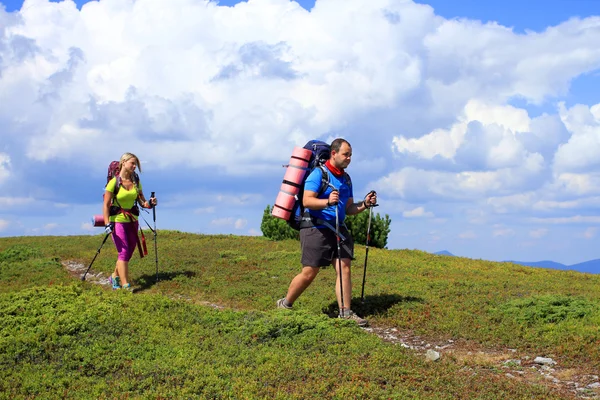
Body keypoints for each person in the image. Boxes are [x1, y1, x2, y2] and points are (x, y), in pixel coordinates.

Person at [277, 138, 377, 326]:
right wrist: (327, 202)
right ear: (333, 153)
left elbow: (348, 208)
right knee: (309, 272)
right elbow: (307, 201)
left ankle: (345, 313)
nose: (349, 158)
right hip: (315, 227)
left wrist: (365, 204)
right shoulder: (318, 174)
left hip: (338, 229)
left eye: (350, 155)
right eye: (345, 154)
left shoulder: (346, 178)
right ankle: (285, 303)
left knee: (344, 268)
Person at [104, 152, 157, 290]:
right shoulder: (113, 183)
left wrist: (150, 203)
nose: (135, 166)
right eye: (132, 163)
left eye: (136, 164)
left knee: (129, 251)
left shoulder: (136, 182)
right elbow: (105, 204)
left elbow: (142, 201)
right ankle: (125, 285)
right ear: (123, 162)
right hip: (117, 221)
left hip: (133, 220)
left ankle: (114, 276)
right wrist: (106, 223)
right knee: (123, 251)